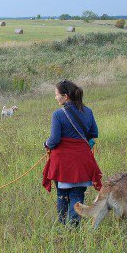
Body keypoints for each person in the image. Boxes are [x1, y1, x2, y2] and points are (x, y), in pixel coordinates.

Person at [42, 80, 103, 226]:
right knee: (77, 195)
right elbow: (94, 132)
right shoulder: (88, 111)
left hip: (63, 162)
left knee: (62, 195)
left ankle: (64, 227)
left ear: (65, 96)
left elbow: (54, 139)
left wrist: (46, 144)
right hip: (82, 160)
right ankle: (74, 227)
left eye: (56, 95)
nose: (55, 98)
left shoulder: (58, 114)